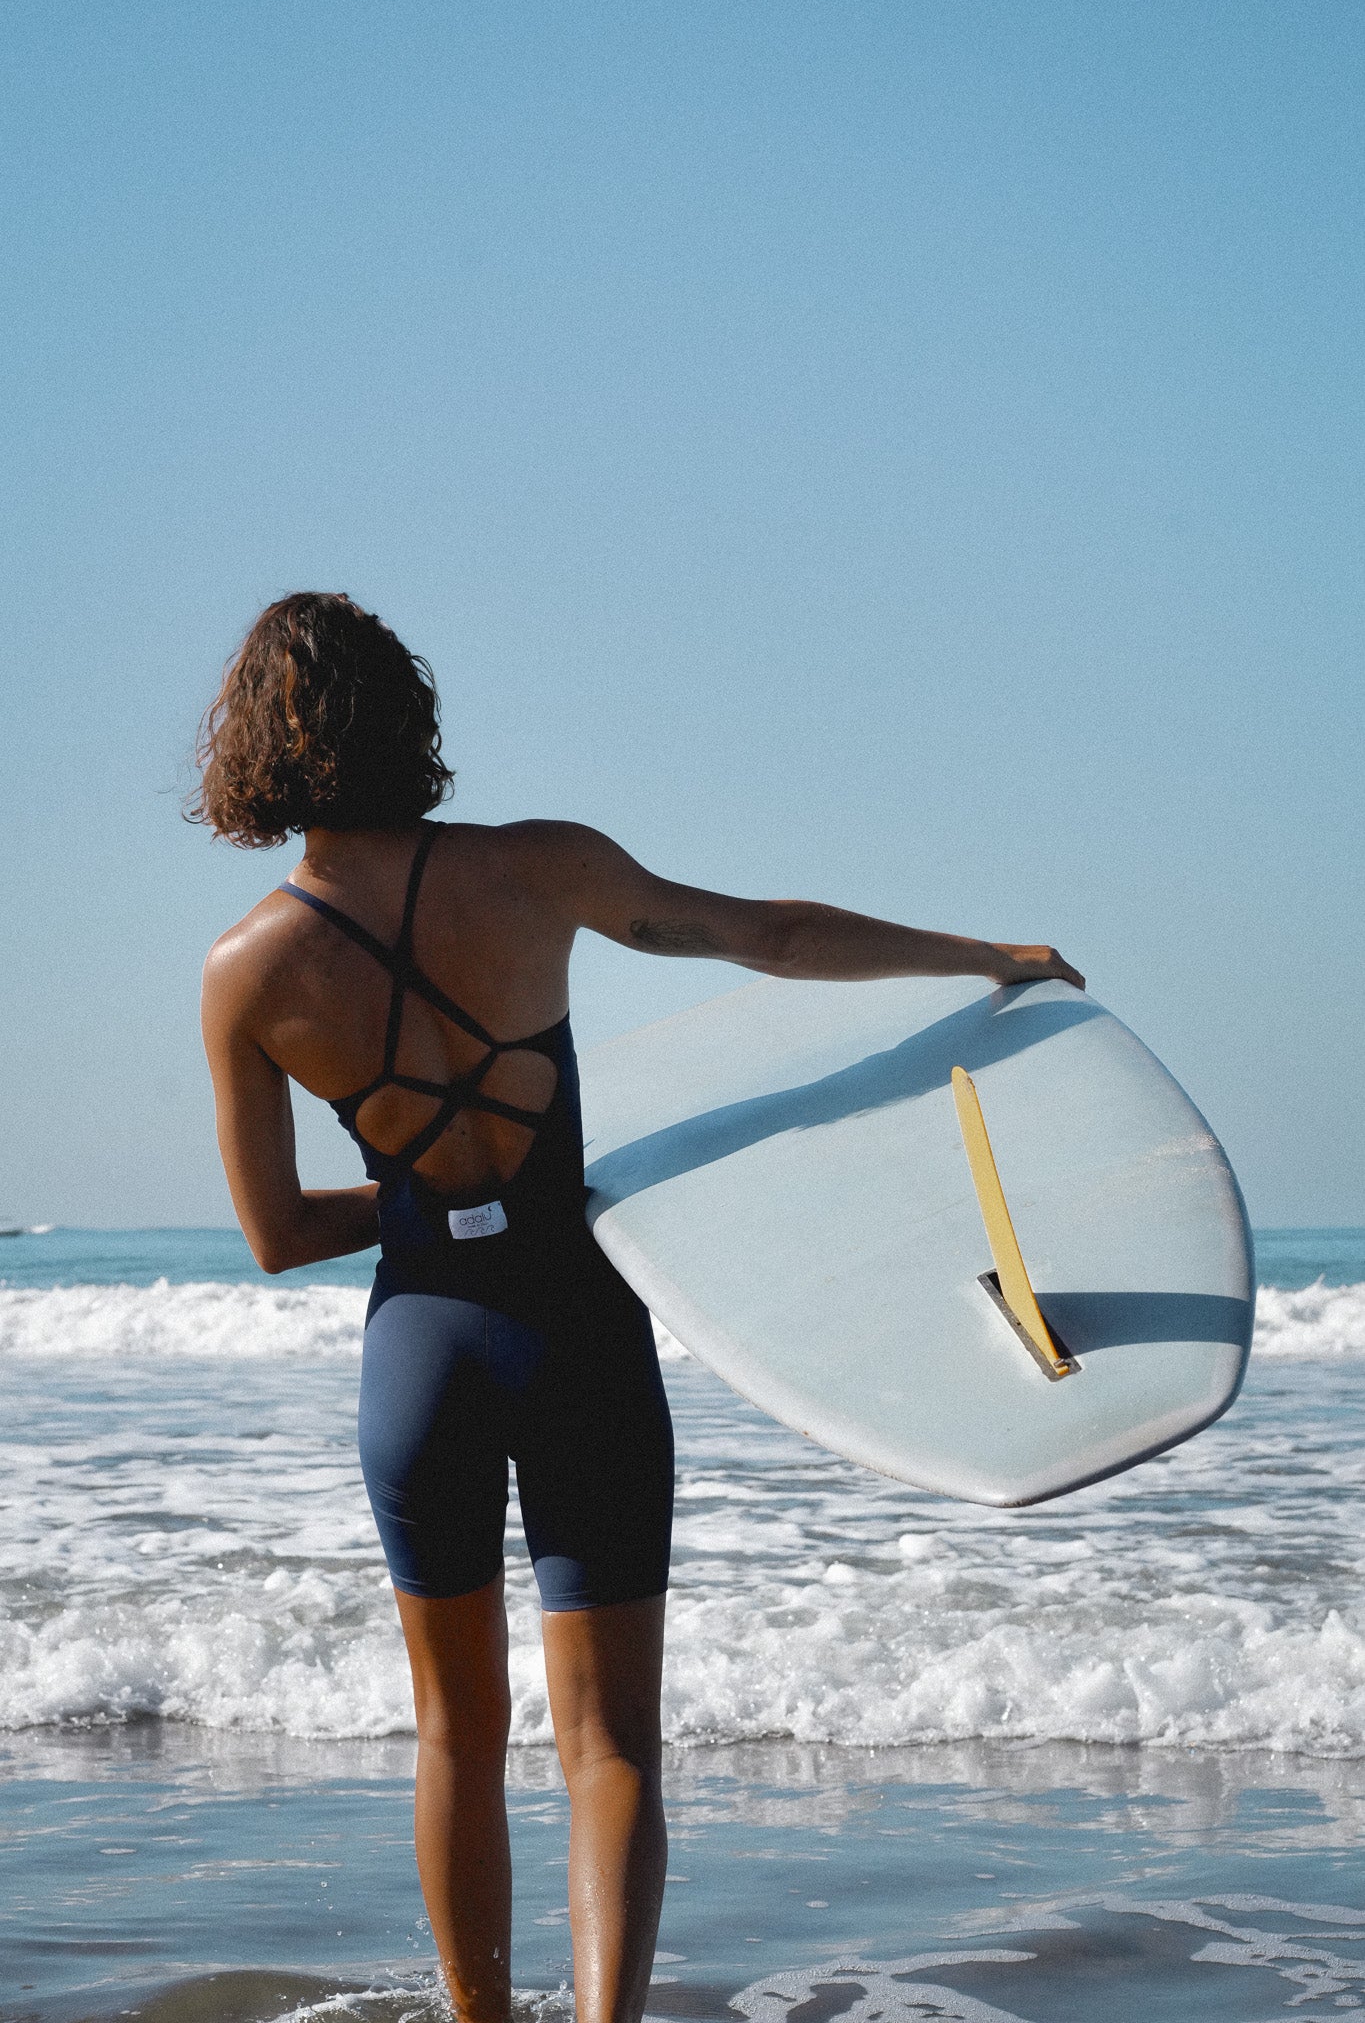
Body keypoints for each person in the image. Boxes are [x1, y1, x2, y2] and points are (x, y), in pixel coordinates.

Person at [194, 592, 1083, 2023]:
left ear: (251, 750)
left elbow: (279, 1236)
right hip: (578, 1327)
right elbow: (772, 937)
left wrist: (424, 1204)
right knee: (608, 1745)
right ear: (404, 716)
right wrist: (987, 956)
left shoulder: (246, 973)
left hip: (423, 1349)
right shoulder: (542, 868)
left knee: (454, 1735)